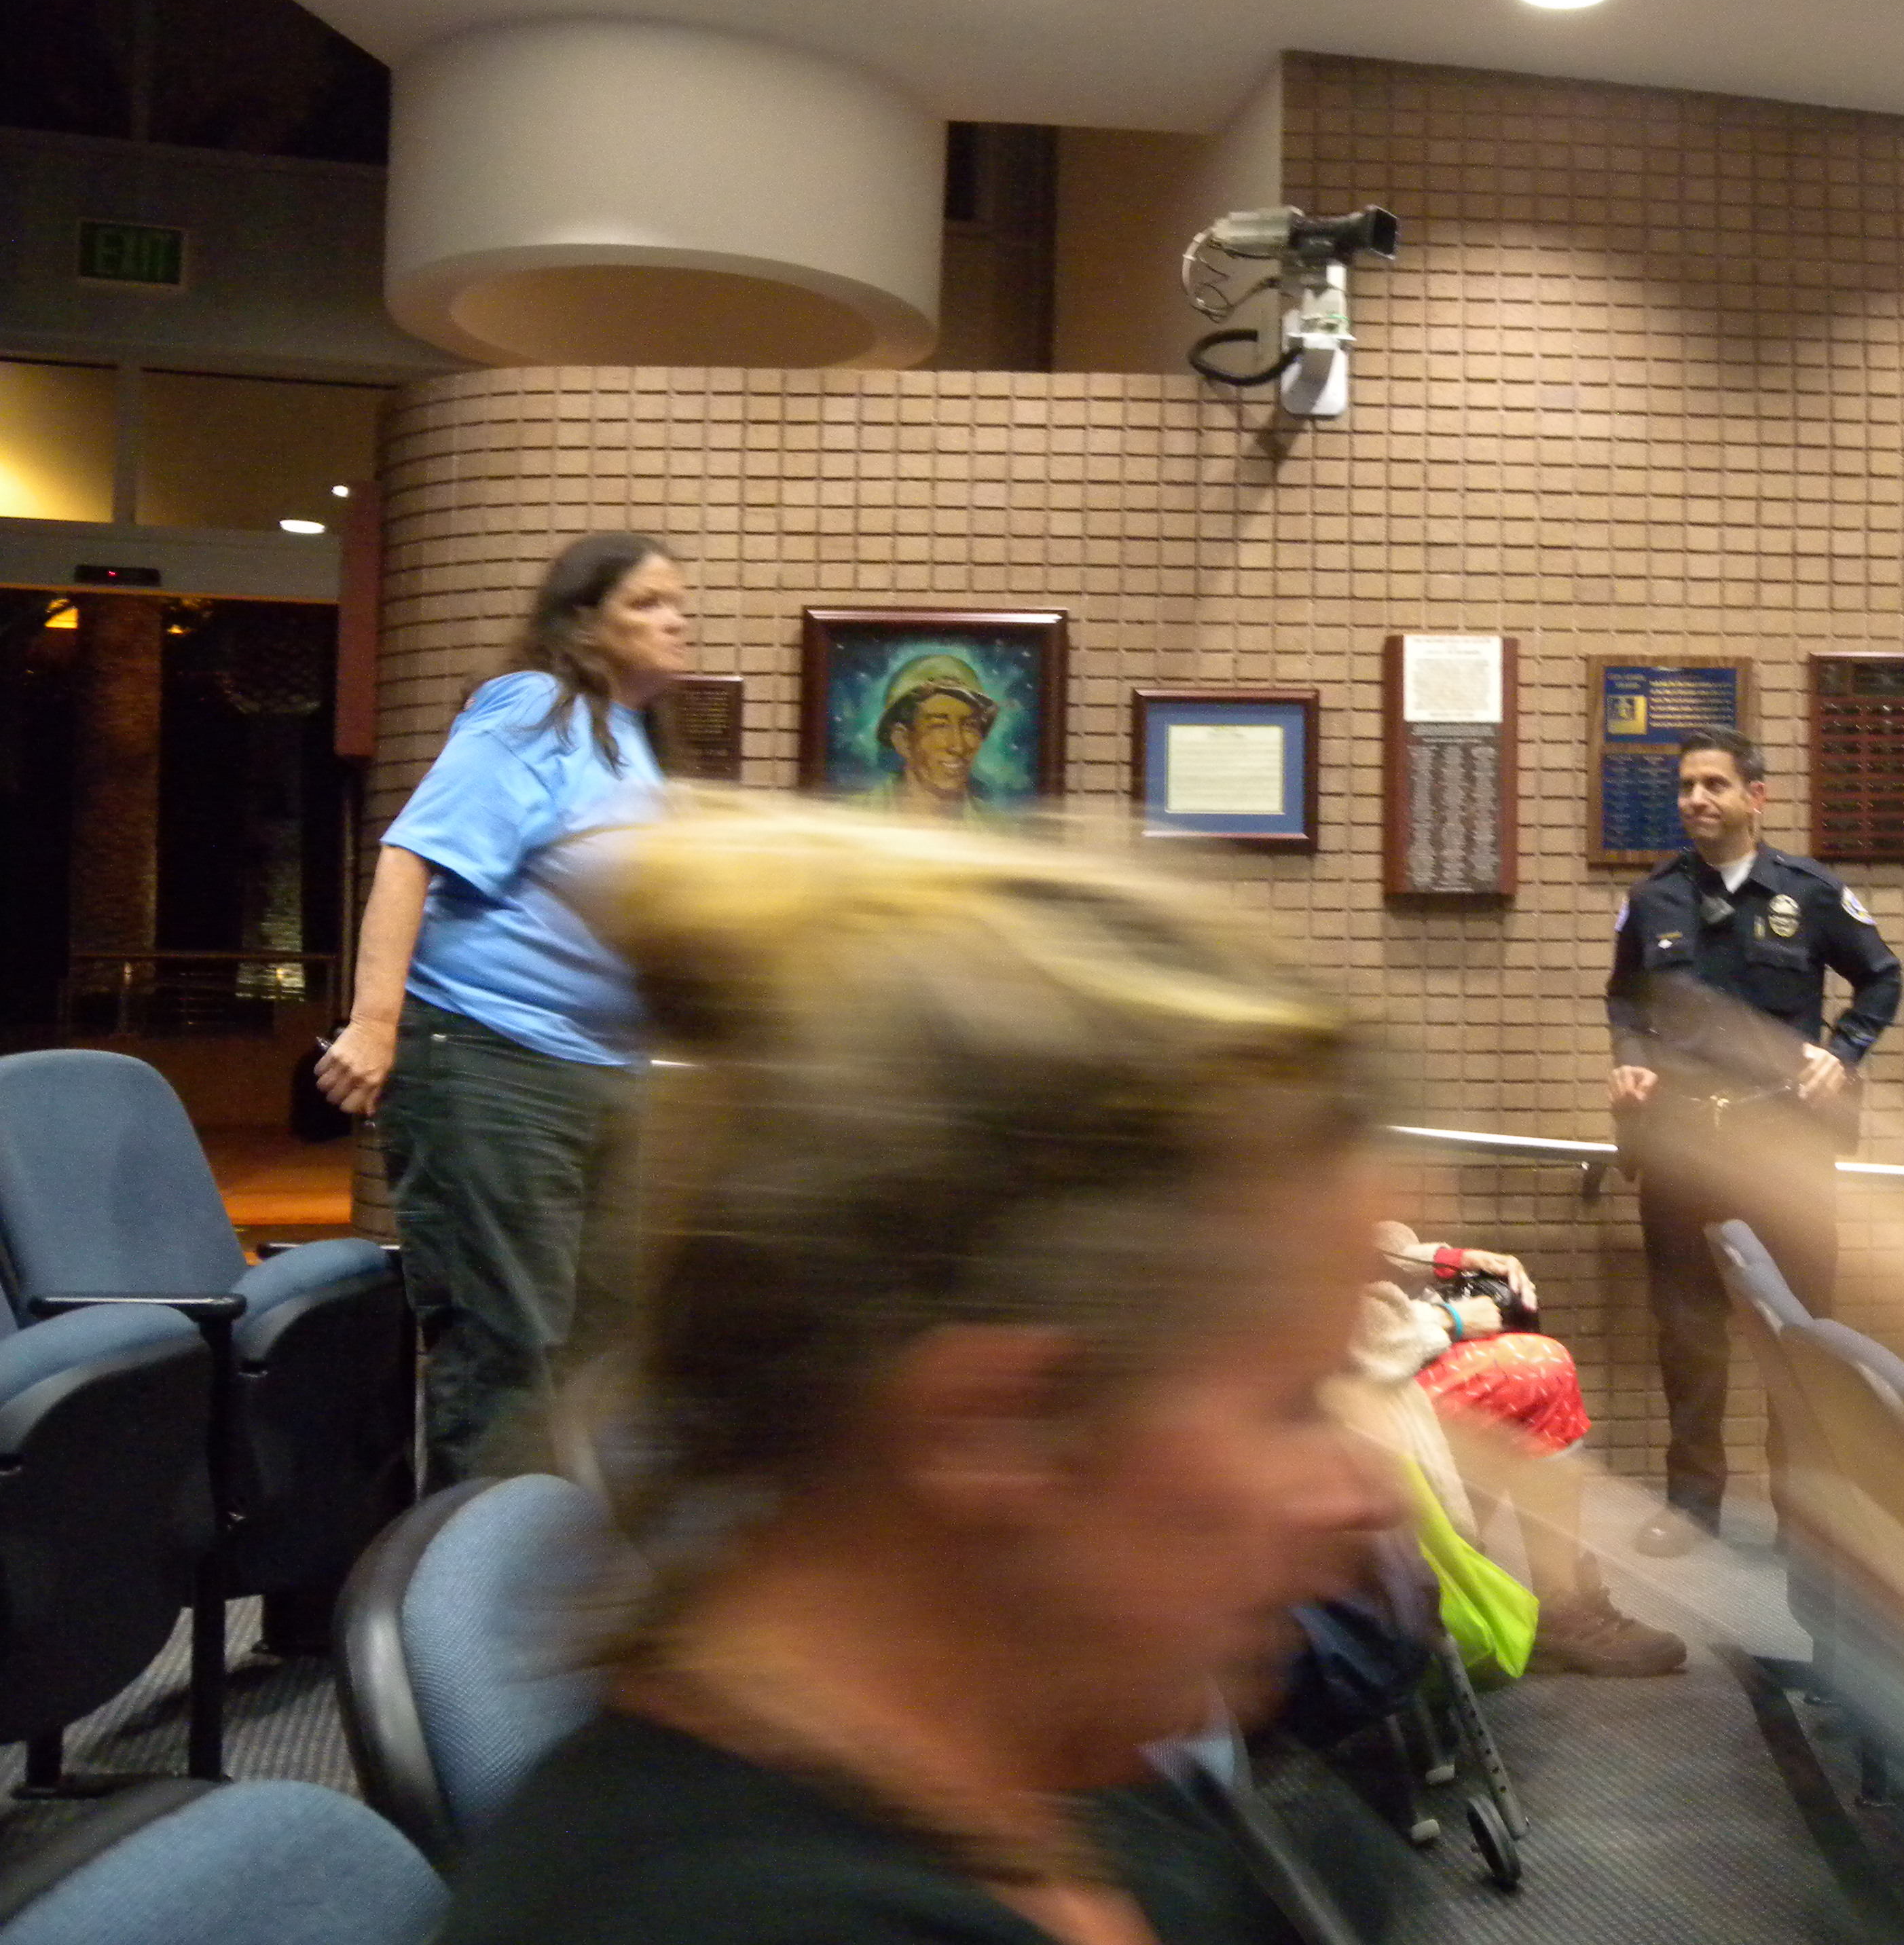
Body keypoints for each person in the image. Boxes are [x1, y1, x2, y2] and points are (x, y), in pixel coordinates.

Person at [445, 798, 1412, 1945]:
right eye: (1294, 1404)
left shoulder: (1082, 1790)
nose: (1363, 1499)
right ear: (993, 1427)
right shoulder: (722, 1920)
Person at [316, 534, 686, 1487]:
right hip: (492, 1061)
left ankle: (560, 1559)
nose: (675, 621)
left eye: (678, 603)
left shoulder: (633, 743)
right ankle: (469, 1577)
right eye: (647, 603)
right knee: (509, 1350)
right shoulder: (536, 708)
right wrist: (374, 1023)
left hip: (601, 1074)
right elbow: (410, 856)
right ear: (582, 622)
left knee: (603, 1348)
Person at [1605, 726, 1901, 1554]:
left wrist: (1844, 1054)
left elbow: (1882, 976)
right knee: (1688, 1335)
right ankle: (1693, 1505)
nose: (1696, 799)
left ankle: (1804, 1516)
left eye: (1714, 785)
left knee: (1799, 1335)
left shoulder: (1809, 893)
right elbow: (1625, 1000)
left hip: (1783, 1151)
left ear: (1756, 797)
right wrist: (1631, 1058)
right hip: (1685, 1150)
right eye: (1686, 786)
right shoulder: (1655, 898)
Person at [1347, 1225, 1685, 1676]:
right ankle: (1536, 1603)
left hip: (1372, 1358)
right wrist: (1449, 1318)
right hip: (1336, 1398)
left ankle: (1548, 1598)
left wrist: (1451, 1260)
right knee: (1539, 1369)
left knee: (1537, 1372)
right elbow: (1317, 1324)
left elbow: (1349, 1244)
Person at [873, 652, 1002, 815]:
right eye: (940, 726)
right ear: (903, 740)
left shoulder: (999, 826)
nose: (958, 746)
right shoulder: (858, 815)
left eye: (970, 726)